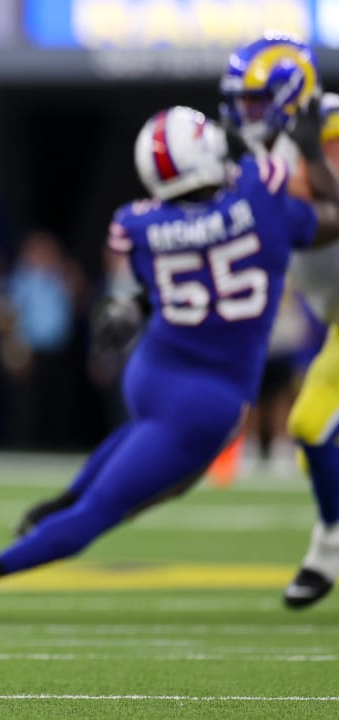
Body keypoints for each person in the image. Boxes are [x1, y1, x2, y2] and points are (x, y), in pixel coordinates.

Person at [0, 104, 339, 621]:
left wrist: (132, 305)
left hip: (153, 370)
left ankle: (63, 499)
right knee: (115, 507)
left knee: (147, 445)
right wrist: (310, 150)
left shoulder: (136, 224)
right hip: (208, 398)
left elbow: (155, 284)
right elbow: (330, 215)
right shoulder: (260, 198)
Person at [221, 33, 339, 609]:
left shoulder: (332, 127)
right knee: (308, 425)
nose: (244, 114)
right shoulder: (261, 161)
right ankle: (330, 542)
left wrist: (312, 159)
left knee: (313, 423)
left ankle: (328, 546)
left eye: (253, 101)